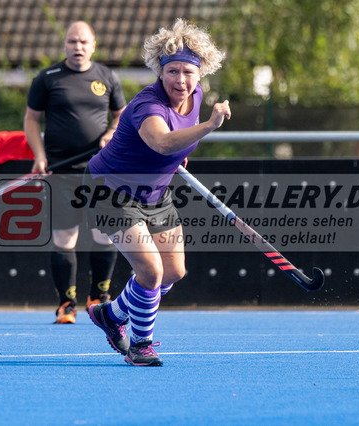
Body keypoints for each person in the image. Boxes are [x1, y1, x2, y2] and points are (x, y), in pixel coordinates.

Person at [85, 18, 229, 366]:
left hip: (155, 193)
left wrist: (182, 154)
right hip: (111, 191)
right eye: (172, 71)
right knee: (151, 271)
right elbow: (163, 142)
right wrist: (209, 126)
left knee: (174, 271)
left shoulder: (195, 95)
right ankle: (140, 346)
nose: (181, 80)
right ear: (160, 72)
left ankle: (110, 315)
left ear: (200, 73)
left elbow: (176, 142)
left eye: (188, 72)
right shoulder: (146, 105)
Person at [23, 21, 127, 324]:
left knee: (104, 234)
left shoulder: (107, 77)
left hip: (101, 171)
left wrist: (111, 133)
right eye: (72, 41)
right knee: (65, 237)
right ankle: (66, 304)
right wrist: (39, 156)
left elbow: (122, 117)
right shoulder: (47, 78)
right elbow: (31, 120)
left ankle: (98, 298)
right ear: (64, 45)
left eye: (83, 41)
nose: (77, 47)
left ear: (93, 45)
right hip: (61, 171)